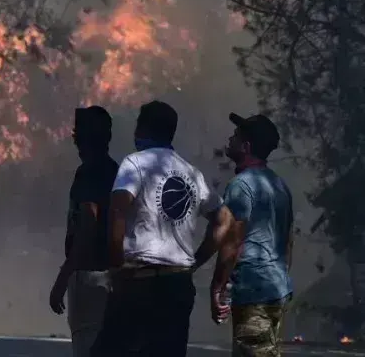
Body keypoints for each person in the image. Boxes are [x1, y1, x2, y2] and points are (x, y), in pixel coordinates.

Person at [90, 100, 235, 357]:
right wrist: (194, 262)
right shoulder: (190, 173)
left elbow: (118, 211)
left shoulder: (135, 164)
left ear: (143, 130)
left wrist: (115, 266)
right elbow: (225, 221)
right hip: (177, 285)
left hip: (138, 283)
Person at [211, 112, 294, 357]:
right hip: (277, 289)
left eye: (236, 136)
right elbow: (288, 241)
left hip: (253, 292)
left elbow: (232, 242)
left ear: (246, 147)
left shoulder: (241, 186)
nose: (230, 138)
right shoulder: (279, 185)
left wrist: (217, 287)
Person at [49, 106, 119, 357]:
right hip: (112, 276)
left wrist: (63, 278)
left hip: (89, 277)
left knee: (87, 345)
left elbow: (89, 222)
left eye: (77, 132)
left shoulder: (89, 172)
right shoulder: (116, 170)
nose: (73, 137)